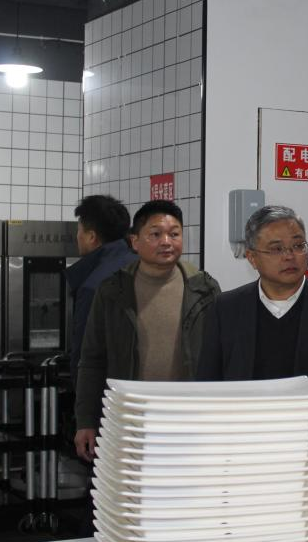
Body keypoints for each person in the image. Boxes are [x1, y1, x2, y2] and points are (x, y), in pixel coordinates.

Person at [74, 200, 221, 461]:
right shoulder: (112, 290)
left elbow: (221, 354)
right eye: (155, 234)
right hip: (131, 419)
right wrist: (85, 420)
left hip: (190, 418)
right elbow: (92, 360)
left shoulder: (204, 289)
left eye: (174, 234)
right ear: (135, 241)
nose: (166, 242)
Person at [197, 205, 308, 414]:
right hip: (243, 428)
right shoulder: (225, 309)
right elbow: (207, 387)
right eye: (276, 249)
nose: (289, 256)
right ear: (252, 258)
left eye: (298, 245)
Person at [65, 195, 137, 384]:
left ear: (91, 237)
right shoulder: (142, 267)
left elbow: (85, 354)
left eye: (79, 230)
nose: (77, 237)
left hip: (109, 391)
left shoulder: (94, 285)